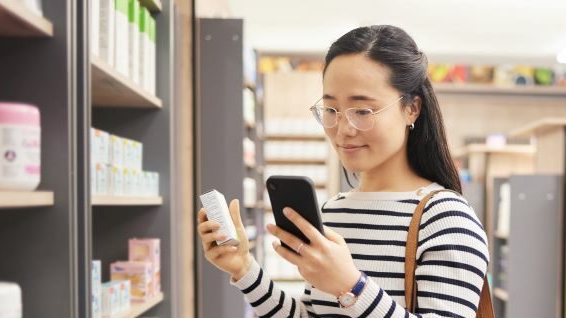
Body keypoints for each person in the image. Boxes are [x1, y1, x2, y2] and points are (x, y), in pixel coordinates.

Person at [197, 25, 489, 317]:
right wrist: (244, 269)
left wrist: (350, 286)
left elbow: (352, 293)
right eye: (331, 110)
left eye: (362, 111)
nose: (343, 129)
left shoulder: (447, 220)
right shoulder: (333, 211)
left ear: (412, 108)